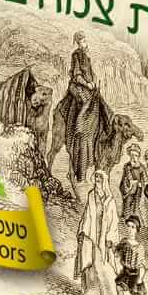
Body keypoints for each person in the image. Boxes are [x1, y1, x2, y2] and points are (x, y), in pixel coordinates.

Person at [52, 31, 117, 188]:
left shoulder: (86, 57)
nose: (84, 43)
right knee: (85, 106)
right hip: (78, 87)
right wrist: (87, 84)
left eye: (85, 40)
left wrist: (93, 83)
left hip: (89, 87)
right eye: (82, 41)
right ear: (78, 42)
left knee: (102, 106)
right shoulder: (76, 55)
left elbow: (90, 74)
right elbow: (77, 75)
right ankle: (79, 129)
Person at [74, 166, 120, 295]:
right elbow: (87, 214)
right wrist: (83, 230)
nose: (98, 180)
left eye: (100, 178)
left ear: (104, 180)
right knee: (89, 264)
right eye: (96, 177)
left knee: (103, 267)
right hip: (91, 234)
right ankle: (91, 293)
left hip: (104, 237)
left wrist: (110, 237)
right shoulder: (91, 195)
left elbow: (114, 220)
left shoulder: (110, 200)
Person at [113, 216, 148, 295]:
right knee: (119, 287)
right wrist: (114, 250)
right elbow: (117, 252)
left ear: (137, 229)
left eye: (133, 227)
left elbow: (143, 265)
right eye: (128, 226)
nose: (130, 229)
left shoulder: (140, 246)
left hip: (135, 273)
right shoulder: (124, 241)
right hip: (125, 271)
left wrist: (140, 279)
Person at [118, 140, 148, 224]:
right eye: (131, 155)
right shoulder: (127, 166)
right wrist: (128, 185)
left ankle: (136, 220)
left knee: (137, 204)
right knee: (127, 203)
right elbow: (126, 177)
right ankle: (126, 219)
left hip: (138, 189)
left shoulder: (141, 167)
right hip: (129, 189)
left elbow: (145, 179)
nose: (133, 158)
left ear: (138, 156)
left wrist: (141, 184)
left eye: (135, 155)